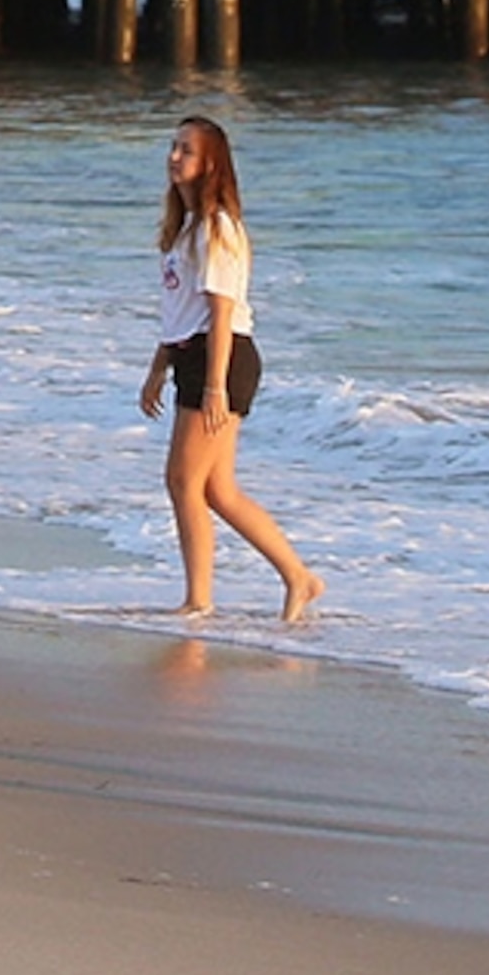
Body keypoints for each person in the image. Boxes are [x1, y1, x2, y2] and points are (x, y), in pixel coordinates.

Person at [138, 116, 320, 623]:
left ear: (211, 163)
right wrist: (157, 369)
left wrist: (215, 385)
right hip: (193, 355)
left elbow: (221, 314)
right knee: (216, 489)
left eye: (187, 151)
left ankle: (199, 598)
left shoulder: (218, 226)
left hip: (222, 357)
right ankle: (299, 577)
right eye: (173, 148)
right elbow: (178, 313)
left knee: (182, 480)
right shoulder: (187, 229)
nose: (175, 157)